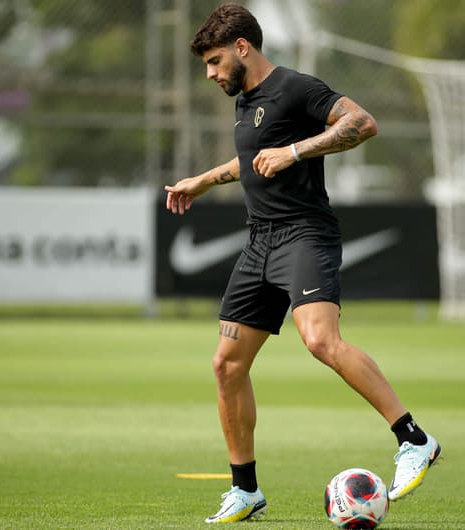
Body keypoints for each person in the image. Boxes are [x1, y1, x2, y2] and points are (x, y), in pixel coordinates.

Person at [164, 3, 440, 524]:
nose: (211, 73)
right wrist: (203, 180)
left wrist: (294, 152)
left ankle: (414, 440)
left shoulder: (295, 87)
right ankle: (245, 490)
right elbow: (252, 161)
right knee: (226, 365)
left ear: (243, 47)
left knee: (320, 340)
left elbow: (362, 122)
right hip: (259, 243)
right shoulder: (244, 100)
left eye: (216, 61)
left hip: (304, 236)